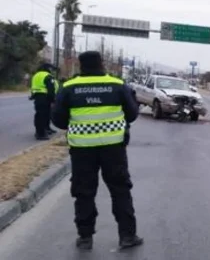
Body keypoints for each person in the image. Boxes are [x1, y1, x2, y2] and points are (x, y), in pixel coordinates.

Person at [51, 51, 143, 250]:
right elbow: (133, 114)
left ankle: (85, 238)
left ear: (81, 65)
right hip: (114, 149)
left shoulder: (69, 88)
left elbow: (58, 120)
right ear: (101, 64)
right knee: (120, 190)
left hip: (82, 149)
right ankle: (127, 236)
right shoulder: (117, 85)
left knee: (84, 192)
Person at [30, 63, 57, 140]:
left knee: (39, 115)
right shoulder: (47, 76)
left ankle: (39, 131)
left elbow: (33, 86)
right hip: (45, 97)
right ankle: (41, 134)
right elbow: (51, 89)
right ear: (48, 69)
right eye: (51, 69)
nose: (52, 71)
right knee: (43, 115)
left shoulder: (36, 75)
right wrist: (53, 100)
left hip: (37, 97)